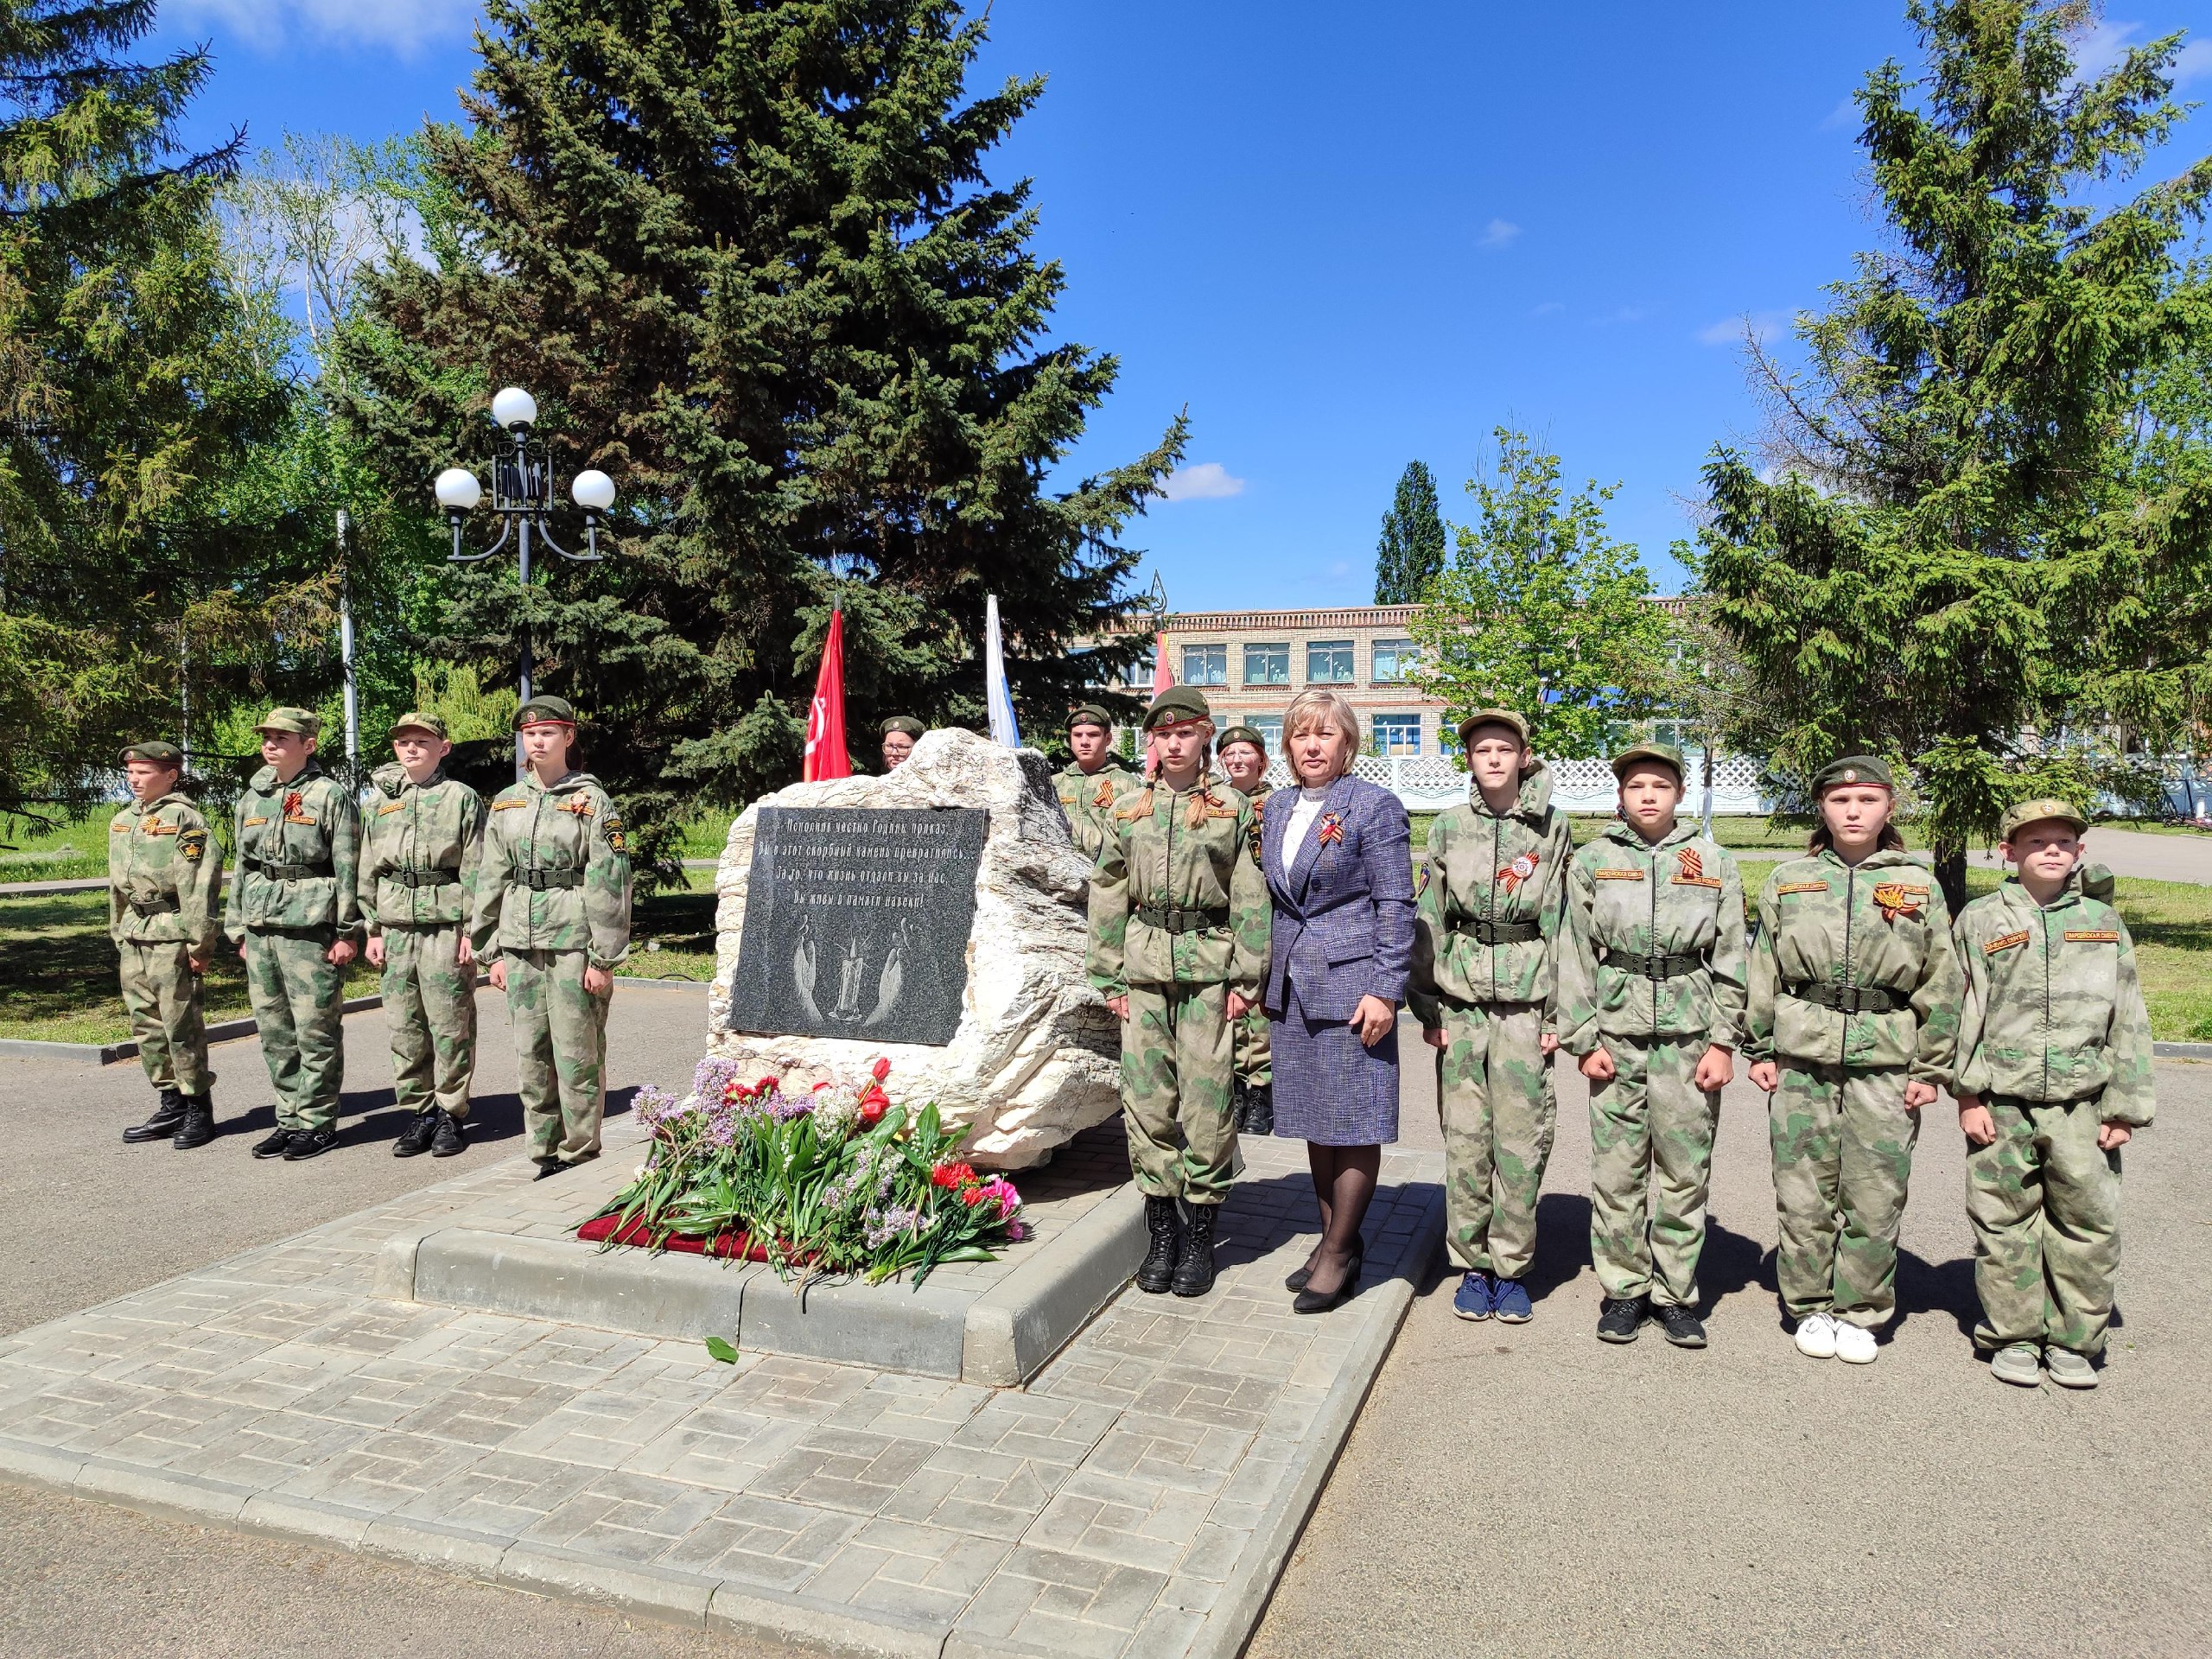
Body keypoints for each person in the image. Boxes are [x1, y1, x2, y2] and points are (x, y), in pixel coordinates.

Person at [1744, 755, 1962, 1365]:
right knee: (1803, 1189)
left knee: (1875, 1193)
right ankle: (1811, 1304)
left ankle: (1861, 1311)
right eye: (1841, 802)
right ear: (1823, 808)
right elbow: (1764, 967)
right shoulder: (1789, 879)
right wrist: (1759, 1046)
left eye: (1867, 800)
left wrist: (1931, 1067)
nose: (1853, 811)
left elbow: (1942, 980)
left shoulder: (1919, 884)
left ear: (1888, 808)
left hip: (1886, 1056)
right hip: (1802, 1053)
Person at [1952, 798, 2154, 1389]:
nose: (2050, 852)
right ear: (2009, 852)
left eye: (2062, 843)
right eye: (2035, 842)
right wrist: (1966, 1096)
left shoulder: (2103, 923)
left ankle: (2074, 1339)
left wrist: (2124, 1106)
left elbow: (2129, 1017)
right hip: (2003, 1103)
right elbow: (1963, 1011)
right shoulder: (1981, 920)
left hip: (2083, 1104)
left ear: (2079, 853)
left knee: (2088, 1224)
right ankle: (2013, 1336)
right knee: (2003, 1224)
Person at [1556, 741, 1746, 1348]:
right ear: (1620, 797)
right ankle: (1625, 1290)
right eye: (1635, 786)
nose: (1647, 796)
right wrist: (1583, 1039)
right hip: (1616, 1031)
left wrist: (1724, 1042)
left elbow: (1734, 955)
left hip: (1690, 1038)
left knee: (1685, 1172)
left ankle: (1675, 1294)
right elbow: (1575, 953)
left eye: (1659, 786)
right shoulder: (1592, 860)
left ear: (1679, 794)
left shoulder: (1712, 860)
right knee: (1618, 1171)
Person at [1089, 686, 1269, 1298]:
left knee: (1207, 1101)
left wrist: (1247, 978)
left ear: (1204, 737)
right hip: (1142, 972)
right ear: (1151, 742)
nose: (1173, 742)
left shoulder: (1230, 808)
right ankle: (1161, 1228)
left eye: (1185, 733)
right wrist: (1108, 974)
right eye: (1162, 734)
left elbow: (1249, 895)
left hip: (1208, 970)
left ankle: (1201, 1234)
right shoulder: (1129, 806)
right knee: (1146, 1101)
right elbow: (1109, 890)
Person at [1408, 709, 1573, 1325]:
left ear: (1524, 756)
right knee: (1467, 1139)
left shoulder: (1551, 828)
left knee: (1523, 1141)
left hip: (1526, 1005)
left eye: (1505, 748)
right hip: (1462, 1001)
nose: (1495, 759)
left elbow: (1563, 921)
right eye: (1483, 750)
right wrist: (1426, 1004)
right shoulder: (1448, 827)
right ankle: (1472, 1265)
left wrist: (1561, 1013)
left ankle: (1512, 1267)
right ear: (1470, 760)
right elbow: (1429, 917)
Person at [1262, 691, 1414, 1314]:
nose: (1313, 746)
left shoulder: (1374, 806)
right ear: (1289, 747)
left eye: (1326, 735)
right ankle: (1336, 1245)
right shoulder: (1276, 807)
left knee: (1353, 1122)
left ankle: (1340, 1248)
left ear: (1348, 744)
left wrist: (1385, 987)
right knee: (1317, 1121)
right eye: (1302, 736)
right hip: (1294, 986)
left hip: (1354, 989)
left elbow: (1396, 902)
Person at [474, 696, 632, 1178]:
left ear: (569, 737)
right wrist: (490, 949)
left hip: (572, 940)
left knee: (577, 1051)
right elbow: (491, 875)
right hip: (519, 940)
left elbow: (610, 879)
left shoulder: (590, 801)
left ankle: (579, 1151)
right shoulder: (507, 802)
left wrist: (602, 959)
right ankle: (542, 1151)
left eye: (547, 733)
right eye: (529, 734)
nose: (536, 741)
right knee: (531, 1051)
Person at [223, 708, 362, 1161]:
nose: (271, 744)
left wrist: (347, 931)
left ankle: (319, 1123)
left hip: (310, 927)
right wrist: (237, 926)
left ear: (309, 744)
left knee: (315, 1030)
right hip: (261, 926)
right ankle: (288, 1119)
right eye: (267, 737)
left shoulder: (329, 795)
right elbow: (242, 868)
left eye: (282, 738)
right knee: (274, 1030)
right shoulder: (253, 797)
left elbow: (348, 868)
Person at [359, 712, 486, 1159]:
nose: (411, 749)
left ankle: (451, 1113)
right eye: (403, 743)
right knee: (404, 1025)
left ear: (442, 748)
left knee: (450, 1022)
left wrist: (472, 930)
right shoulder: (379, 801)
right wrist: (371, 927)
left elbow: (476, 866)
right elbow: (368, 865)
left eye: (421, 742)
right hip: (394, 926)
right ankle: (420, 1113)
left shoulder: (461, 798)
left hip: (444, 925)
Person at [109, 740, 225, 1150]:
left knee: (180, 1023)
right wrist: (117, 929)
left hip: (172, 931)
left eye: (142, 772)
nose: (133, 778)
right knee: (146, 1022)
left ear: (170, 774)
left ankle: (198, 1107)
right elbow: (116, 885)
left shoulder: (185, 820)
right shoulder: (124, 820)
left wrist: (200, 943)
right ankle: (170, 1101)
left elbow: (199, 886)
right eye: (130, 772)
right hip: (135, 931)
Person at [1217, 724, 1276, 1137]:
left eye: (1245, 753)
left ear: (1261, 760)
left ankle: (1261, 1091)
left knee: (1258, 1007)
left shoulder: (1277, 804)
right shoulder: (1215, 803)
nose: (1236, 760)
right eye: (1230, 754)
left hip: (1267, 916)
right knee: (1230, 1004)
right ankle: (1236, 1086)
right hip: (1224, 915)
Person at [1052, 702, 1137, 862]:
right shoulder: (1054, 785)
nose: (1084, 742)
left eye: (1093, 735)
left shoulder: (1127, 784)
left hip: (1109, 880)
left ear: (1108, 739)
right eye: (1077, 735)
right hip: (1063, 879)